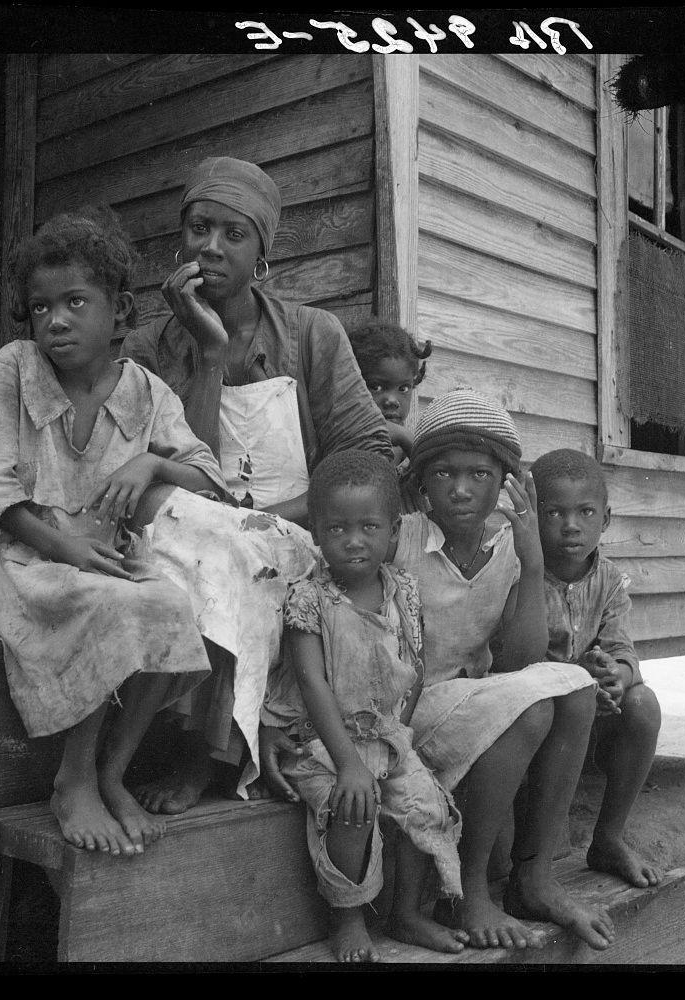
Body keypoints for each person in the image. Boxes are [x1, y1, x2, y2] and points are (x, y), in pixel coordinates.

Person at [263, 389, 617, 952]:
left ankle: (535, 873)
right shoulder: (393, 537)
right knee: (531, 710)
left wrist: (531, 564)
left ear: (505, 480)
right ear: (421, 482)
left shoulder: (510, 547)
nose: (460, 488)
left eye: (479, 473)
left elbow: (523, 659)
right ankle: (471, 889)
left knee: (574, 690)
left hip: (467, 699)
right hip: (404, 705)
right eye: (444, 473)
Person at [119, 156, 391, 815]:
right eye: (199, 228)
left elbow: (370, 455)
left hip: (299, 531)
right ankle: (192, 749)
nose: (210, 246)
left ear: (262, 257)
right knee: (208, 553)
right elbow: (178, 477)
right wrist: (208, 352)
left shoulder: (312, 335)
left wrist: (269, 517)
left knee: (240, 556)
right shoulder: (151, 349)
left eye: (233, 234)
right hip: (194, 526)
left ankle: (202, 759)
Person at [0, 205, 229, 857]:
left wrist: (152, 461)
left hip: (109, 558)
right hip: (31, 558)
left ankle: (113, 770)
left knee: (169, 601)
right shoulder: (11, 373)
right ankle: (73, 779)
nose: (54, 320)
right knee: (112, 600)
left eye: (75, 302)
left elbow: (207, 476)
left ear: (119, 312)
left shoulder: (144, 390)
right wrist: (66, 544)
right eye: (42, 306)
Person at [276, 450, 465, 962]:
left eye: (368, 526)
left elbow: (415, 667)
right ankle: (349, 916)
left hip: (386, 735)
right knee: (353, 806)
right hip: (325, 744)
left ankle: (406, 913)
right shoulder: (309, 598)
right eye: (337, 528)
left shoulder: (401, 590)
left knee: (426, 805)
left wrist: (397, 740)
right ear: (316, 532)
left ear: (394, 530)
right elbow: (312, 684)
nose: (354, 540)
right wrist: (351, 764)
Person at [529, 448, 663, 889]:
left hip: (594, 711)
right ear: (531, 514)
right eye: (553, 512)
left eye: (585, 512)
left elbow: (624, 652)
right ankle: (535, 862)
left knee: (643, 704)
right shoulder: (519, 573)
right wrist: (574, 676)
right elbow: (508, 660)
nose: (571, 525)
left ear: (605, 519)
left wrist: (614, 677)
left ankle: (608, 838)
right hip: (539, 717)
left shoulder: (609, 580)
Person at [347, 322, 432, 472]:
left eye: (403, 388)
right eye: (376, 387)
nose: (392, 401)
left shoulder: (408, 451)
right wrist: (403, 436)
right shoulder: (345, 442)